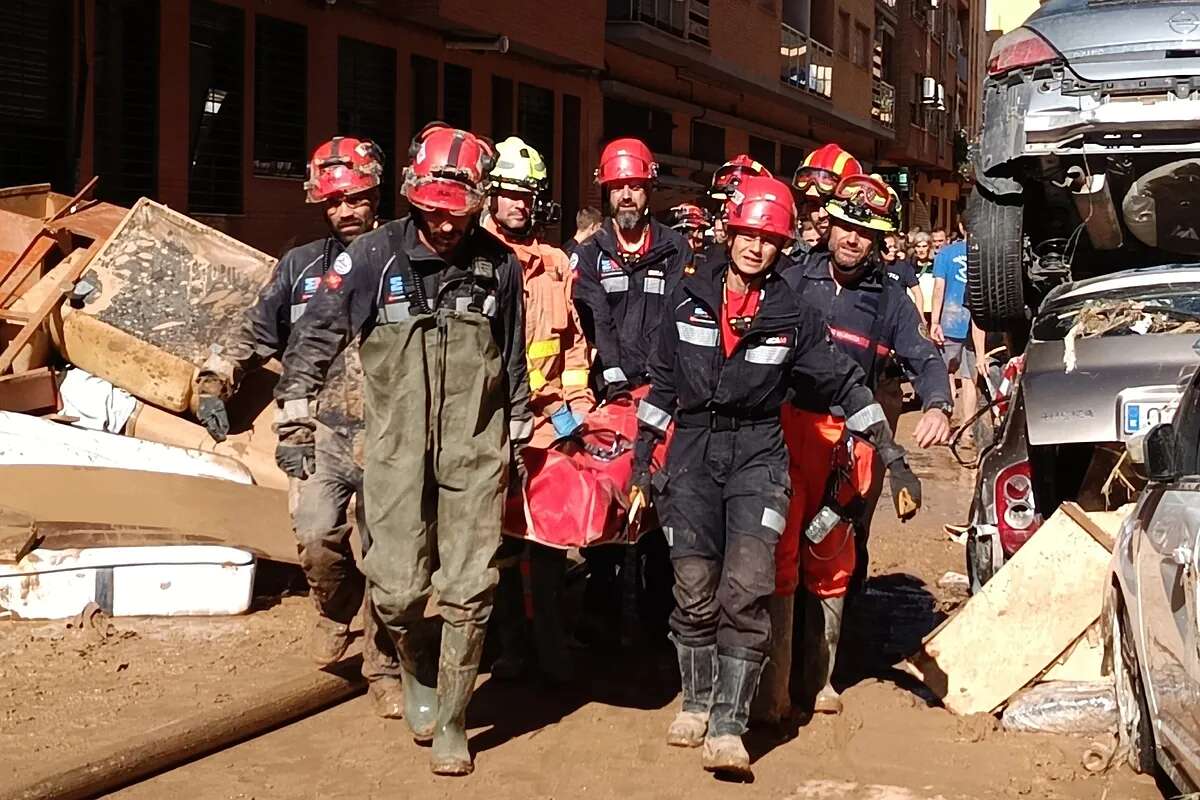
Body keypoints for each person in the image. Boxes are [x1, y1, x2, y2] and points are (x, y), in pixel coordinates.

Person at [273, 123, 531, 776]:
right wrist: (295, 422)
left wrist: (519, 437)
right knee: (394, 586)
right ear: (414, 197)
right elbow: (311, 342)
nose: (445, 228)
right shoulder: (369, 259)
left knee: (471, 587)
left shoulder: (499, 264)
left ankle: (452, 719)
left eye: (459, 215)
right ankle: (414, 657)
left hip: (473, 452)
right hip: (392, 452)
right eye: (433, 213)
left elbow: (514, 360)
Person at [631, 174, 894, 779]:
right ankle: (695, 705)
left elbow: (840, 381)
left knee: (746, 587)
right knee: (694, 585)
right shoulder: (688, 297)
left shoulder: (792, 313)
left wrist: (890, 451)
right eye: (748, 233)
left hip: (758, 455)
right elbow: (664, 382)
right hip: (693, 453)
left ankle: (728, 725)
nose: (756, 247)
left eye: (769, 238)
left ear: (782, 245)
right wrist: (645, 456)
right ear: (730, 232)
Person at [191, 136, 402, 714]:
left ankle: (384, 669)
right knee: (316, 540)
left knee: (389, 555)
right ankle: (338, 611)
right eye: (332, 204)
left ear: (376, 192)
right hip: (319, 432)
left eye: (354, 199)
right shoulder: (301, 265)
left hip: (393, 434)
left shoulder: (405, 257)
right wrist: (216, 378)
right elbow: (255, 330)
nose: (343, 212)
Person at [768, 174, 952, 718]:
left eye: (865, 232)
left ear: (877, 241)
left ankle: (827, 673)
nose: (853, 238)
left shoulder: (890, 298)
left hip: (853, 444)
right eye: (846, 225)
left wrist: (939, 404)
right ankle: (773, 680)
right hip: (786, 430)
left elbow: (924, 356)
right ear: (829, 225)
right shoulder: (791, 278)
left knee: (837, 555)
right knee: (779, 548)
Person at [483, 136, 593, 683]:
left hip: (547, 424)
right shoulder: (476, 259)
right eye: (509, 194)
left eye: (528, 195)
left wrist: (578, 404)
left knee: (549, 543)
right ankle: (508, 647)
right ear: (490, 197)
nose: (520, 205)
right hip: (488, 426)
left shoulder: (554, 264)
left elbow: (571, 343)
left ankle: (553, 648)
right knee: (496, 545)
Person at [572, 138, 691, 398]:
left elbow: (673, 318)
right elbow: (598, 324)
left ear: (649, 189)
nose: (626, 196)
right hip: (608, 386)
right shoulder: (588, 254)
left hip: (664, 385)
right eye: (616, 188)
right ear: (607, 194)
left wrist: (660, 380)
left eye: (635, 186)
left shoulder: (675, 249)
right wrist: (614, 381)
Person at [930, 230, 976, 435]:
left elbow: (939, 288)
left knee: (946, 373)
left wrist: (934, 321)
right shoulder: (983, 253)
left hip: (950, 318)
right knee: (969, 379)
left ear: (960, 226)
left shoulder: (945, 254)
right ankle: (968, 430)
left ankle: (945, 426)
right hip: (977, 322)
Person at [791, 143, 862, 266]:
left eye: (830, 203)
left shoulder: (881, 275)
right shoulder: (795, 270)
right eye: (813, 204)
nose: (821, 215)